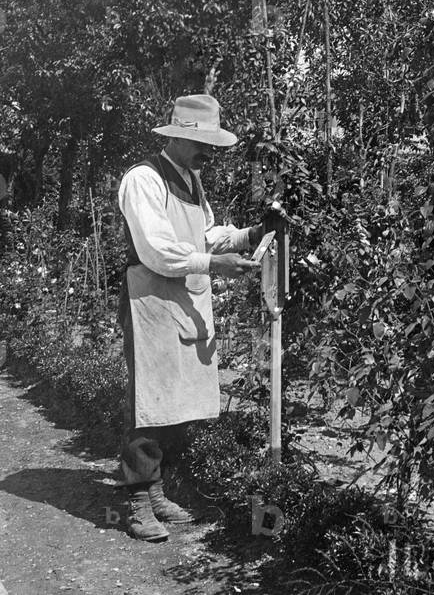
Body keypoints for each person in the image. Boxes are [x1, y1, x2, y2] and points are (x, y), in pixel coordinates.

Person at [117, 94, 262, 542]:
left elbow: (208, 236)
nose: (209, 153)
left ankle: (156, 493)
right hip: (150, 302)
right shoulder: (144, 179)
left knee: (174, 407)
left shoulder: (191, 181)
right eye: (203, 144)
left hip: (180, 303)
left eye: (212, 146)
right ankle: (135, 502)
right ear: (177, 136)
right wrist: (214, 265)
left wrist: (249, 235)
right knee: (148, 404)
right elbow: (158, 250)